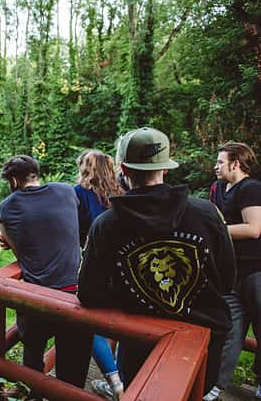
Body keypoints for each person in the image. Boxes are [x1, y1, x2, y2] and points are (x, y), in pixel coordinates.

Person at [78, 127, 236, 394]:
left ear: (124, 170)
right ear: (165, 169)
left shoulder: (107, 224)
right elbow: (227, 280)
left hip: (141, 345)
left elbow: (89, 293)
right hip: (201, 347)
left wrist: (130, 297)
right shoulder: (207, 214)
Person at [0, 154, 93, 397]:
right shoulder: (66, 191)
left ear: (14, 182)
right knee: (72, 375)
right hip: (76, 295)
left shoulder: (7, 206)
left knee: (32, 354)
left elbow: (14, 245)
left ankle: (34, 393)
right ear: (36, 173)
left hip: (39, 299)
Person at [205, 142, 261, 401]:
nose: (215, 166)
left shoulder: (251, 189)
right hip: (230, 272)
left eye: (220, 162)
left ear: (235, 163)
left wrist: (219, 230)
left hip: (256, 272)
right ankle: (216, 386)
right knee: (229, 330)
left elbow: (254, 229)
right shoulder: (217, 188)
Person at [74, 150, 125, 400]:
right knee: (117, 318)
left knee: (87, 320)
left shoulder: (79, 193)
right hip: (124, 265)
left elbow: (75, 231)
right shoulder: (122, 193)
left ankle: (115, 381)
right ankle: (117, 369)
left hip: (94, 263)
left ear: (86, 168)